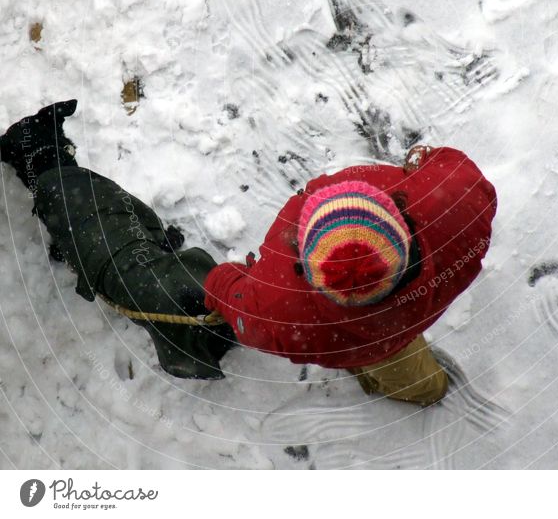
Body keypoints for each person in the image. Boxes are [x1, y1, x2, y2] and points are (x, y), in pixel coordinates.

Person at [1, 101, 497, 405]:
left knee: (366, 346)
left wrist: (223, 281)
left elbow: (234, 301)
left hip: (348, 338)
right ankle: (420, 389)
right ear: (396, 216)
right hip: (401, 324)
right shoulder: (454, 207)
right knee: (404, 365)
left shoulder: (286, 308)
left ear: (308, 267)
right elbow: (454, 168)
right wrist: (421, 163)